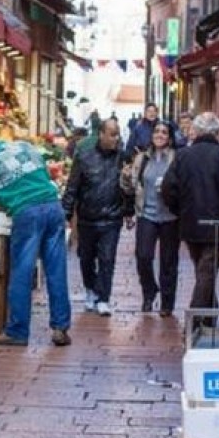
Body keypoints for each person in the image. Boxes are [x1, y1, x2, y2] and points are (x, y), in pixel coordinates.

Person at [161, 112, 219, 329]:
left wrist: (180, 211)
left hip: (190, 222)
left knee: (204, 270)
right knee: (206, 271)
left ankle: (204, 317)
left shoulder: (183, 156)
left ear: (197, 131)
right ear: (217, 132)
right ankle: (199, 319)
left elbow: (168, 189)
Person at [0, 138, 72, 347]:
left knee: (22, 270)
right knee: (56, 270)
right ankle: (61, 327)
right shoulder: (27, 148)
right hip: (53, 206)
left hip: (28, 213)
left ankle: (18, 331)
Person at [62, 118, 134, 316]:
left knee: (107, 259)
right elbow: (72, 187)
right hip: (87, 217)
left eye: (117, 134)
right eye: (112, 134)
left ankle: (103, 298)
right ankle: (90, 289)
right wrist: (66, 213)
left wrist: (129, 211)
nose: (116, 138)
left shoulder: (123, 157)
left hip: (112, 218)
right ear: (101, 134)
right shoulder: (83, 157)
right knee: (85, 258)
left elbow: (127, 187)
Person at [120, 121, 180, 317]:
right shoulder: (142, 158)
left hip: (171, 216)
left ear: (170, 137)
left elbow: (184, 185)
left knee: (168, 261)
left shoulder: (177, 158)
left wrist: (171, 189)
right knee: (143, 256)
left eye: (164, 132)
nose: (160, 135)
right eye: (157, 131)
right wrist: (126, 177)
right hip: (147, 213)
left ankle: (167, 303)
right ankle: (149, 291)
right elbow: (131, 186)